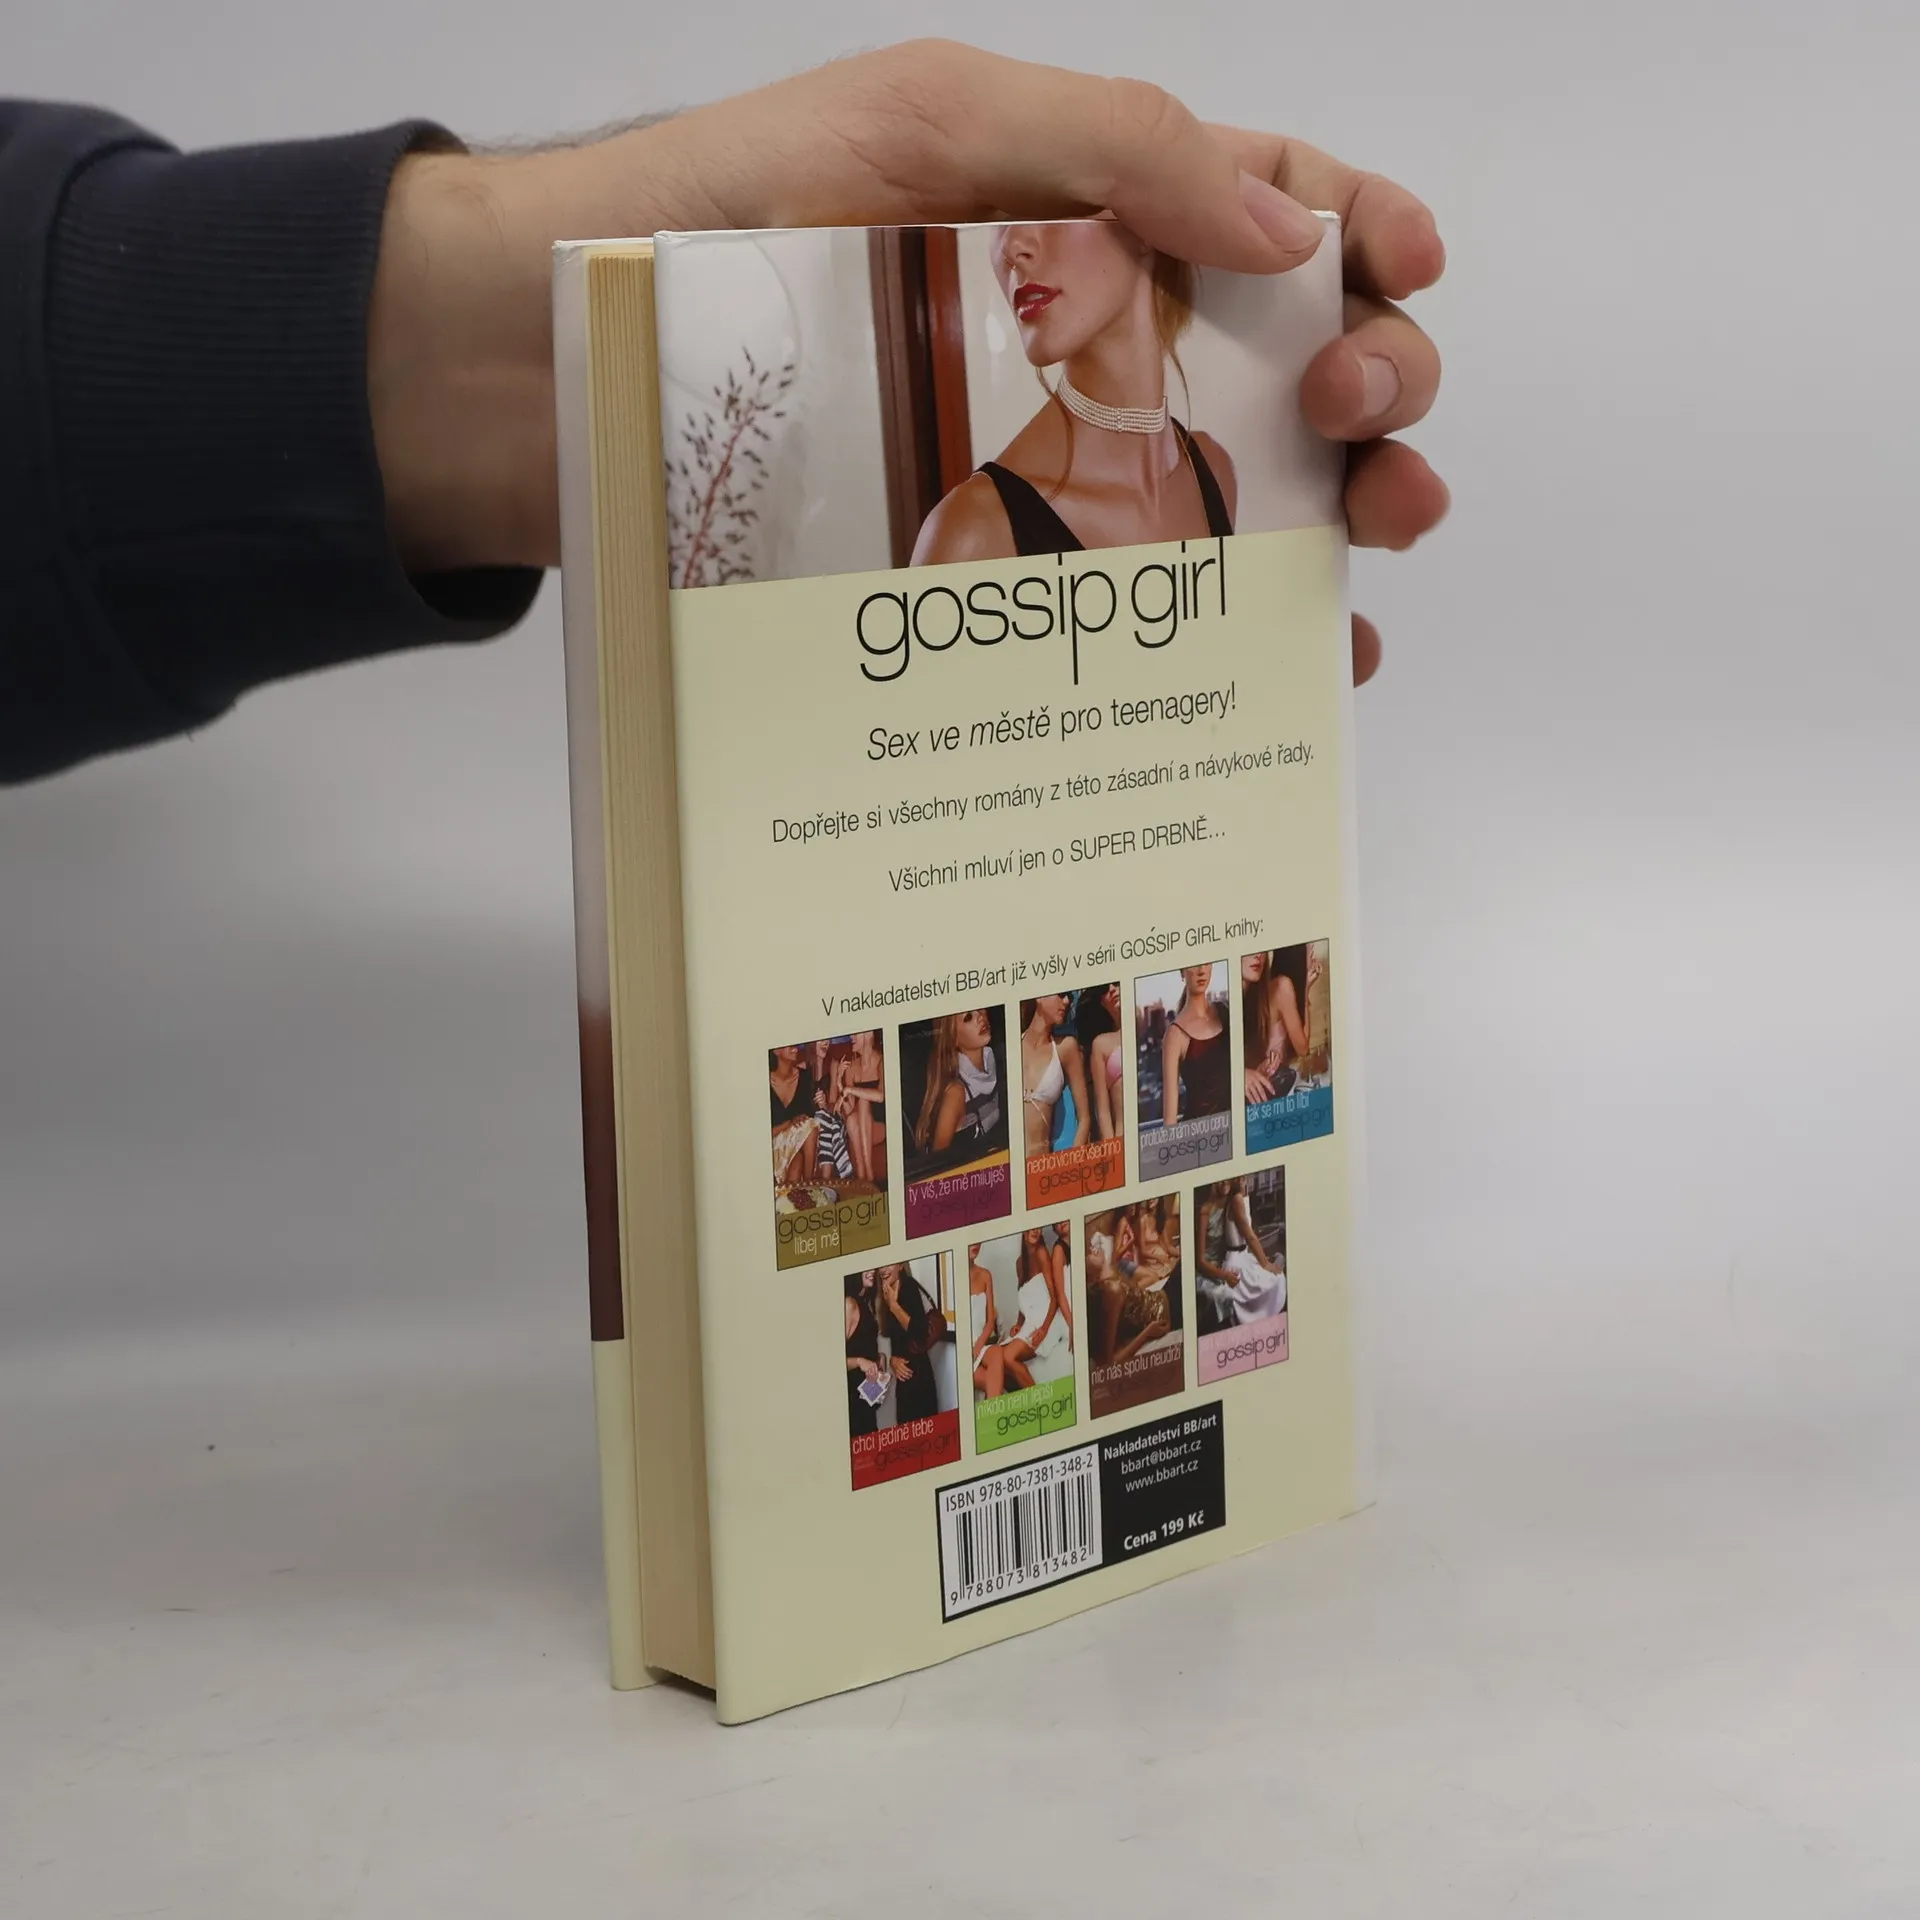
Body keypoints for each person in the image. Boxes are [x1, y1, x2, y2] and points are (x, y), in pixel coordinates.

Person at [1, 41, 1447, 786]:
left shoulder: (1218, 462)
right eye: (1014, 220)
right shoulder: (970, 525)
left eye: (1053, 221)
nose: (1012, 243)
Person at [914, 221, 1232, 561]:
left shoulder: (1215, 472)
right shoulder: (974, 534)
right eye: (993, 217)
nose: (1012, 246)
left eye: (1051, 203)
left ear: (1144, 227)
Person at [1021, 994, 1092, 1162]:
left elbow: (1084, 1119)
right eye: (1061, 995)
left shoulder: (1066, 1048)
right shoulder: (1010, 1047)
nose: (1066, 1001)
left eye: (1069, 997)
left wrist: (1072, 1165)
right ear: (1038, 997)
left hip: (1042, 1166)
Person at [1161, 964, 1231, 1127]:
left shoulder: (1225, 1012)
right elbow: (1170, 1121)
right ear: (1182, 972)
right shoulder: (1174, 1035)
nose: (1201, 971)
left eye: (1206, 962)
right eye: (1194, 964)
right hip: (1199, 1135)